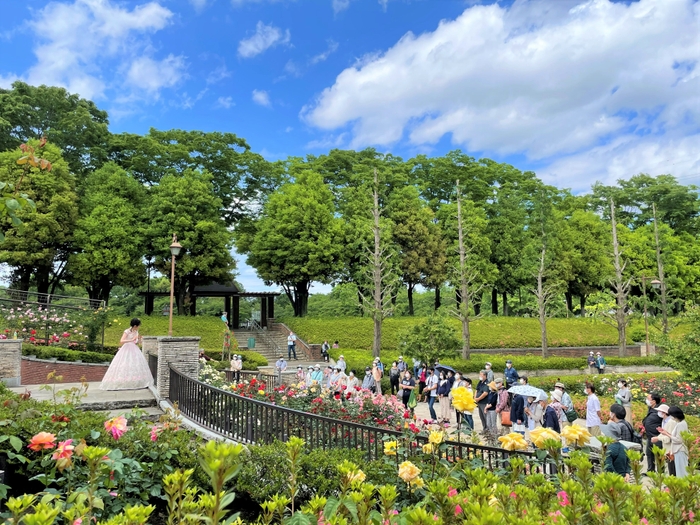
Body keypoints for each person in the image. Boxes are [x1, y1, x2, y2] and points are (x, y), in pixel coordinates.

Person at [101, 318, 153, 391]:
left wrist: (139, 339)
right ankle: (122, 381)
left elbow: (137, 342)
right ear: (135, 326)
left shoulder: (136, 331)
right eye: (138, 325)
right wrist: (131, 340)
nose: (139, 327)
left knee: (135, 364)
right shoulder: (127, 331)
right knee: (124, 363)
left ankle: (134, 381)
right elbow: (122, 340)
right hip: (126, 348)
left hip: (134, 349)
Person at [658, 406, 689, 478]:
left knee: (681, 471)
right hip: (678, 450)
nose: (671, 417)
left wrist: (667, 434)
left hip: (680, 449)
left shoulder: (681, 424)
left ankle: (682, 484)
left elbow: (679, 440)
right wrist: (665, 432)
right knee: (679, 470)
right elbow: (676, 435)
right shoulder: (680, 423)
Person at [642, 393, 664, 474]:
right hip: (649, 436)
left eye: (648, 399)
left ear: (654, 401)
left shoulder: (660, 411)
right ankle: (650, 471)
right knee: (649, 454)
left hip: (657, 436)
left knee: (658, 455)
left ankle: (660, 473)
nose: (646, 400)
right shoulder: (650, 409)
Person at [650, 404, 674, 475]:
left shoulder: (671, 422)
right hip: (667, 449)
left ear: (664, 412)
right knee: (670, 467)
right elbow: (665, 433)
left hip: (671, 450)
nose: (658, 413)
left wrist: (658, 438)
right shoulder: (664, 420)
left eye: (659, 411)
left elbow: (668, 437)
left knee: (672, 469)